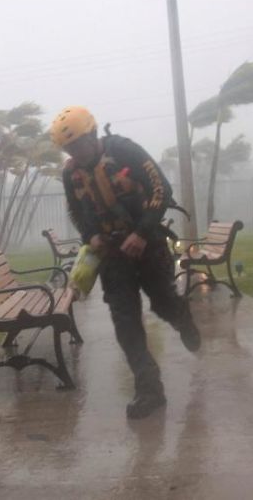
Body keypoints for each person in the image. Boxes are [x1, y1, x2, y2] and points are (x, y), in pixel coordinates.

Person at [50, 106, 201, 420]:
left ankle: (182, 316)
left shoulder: (123, 150)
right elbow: (76, 211)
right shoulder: (70, 173)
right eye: (68, 148)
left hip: (149, 243)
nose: (75, 153)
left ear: (93, 134)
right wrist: (91, 235)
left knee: (162, 302)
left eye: (79, 144)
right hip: (111, 254)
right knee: (125, 321)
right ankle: (149, 390)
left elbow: (161, 188)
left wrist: (142, 233)